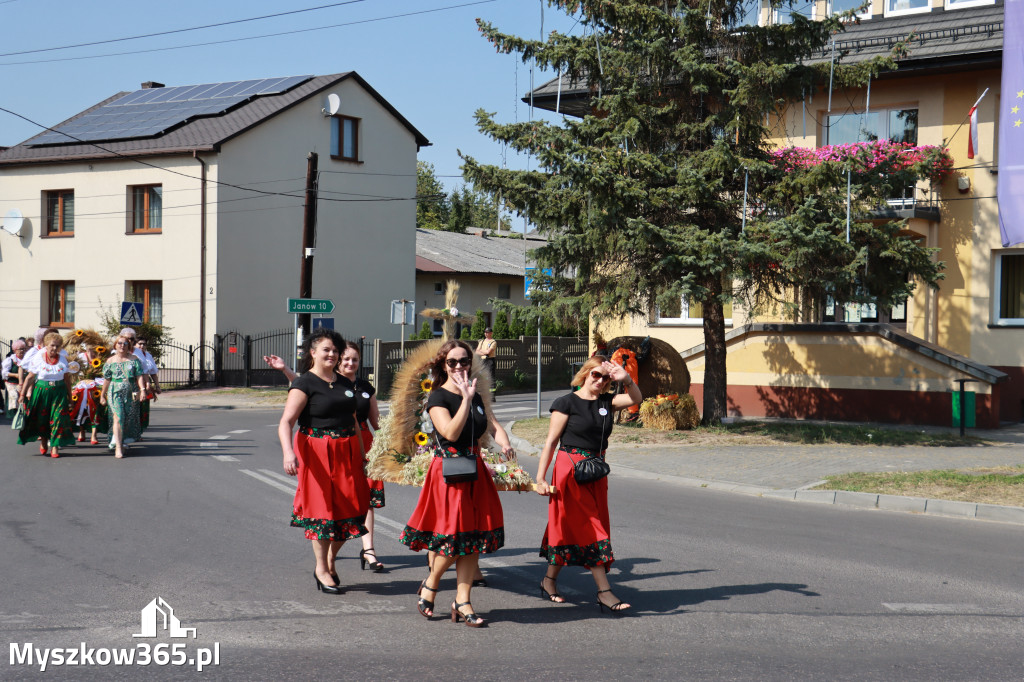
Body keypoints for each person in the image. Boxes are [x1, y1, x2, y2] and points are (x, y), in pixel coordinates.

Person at [399, 340, 514, 628]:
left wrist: (505, 442)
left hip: (474, 469)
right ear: (443, 365)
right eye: (453, 362)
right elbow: (450, 432)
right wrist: (464, 398)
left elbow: (487, 423)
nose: (460, 366)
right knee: (453, 539)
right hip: (450, 472)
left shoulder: (474, 395)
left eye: (464, 361)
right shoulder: (438, 397)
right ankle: (432, 583)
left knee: (472, 538)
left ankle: (463, 600)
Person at [264, 343, 387, 573]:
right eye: (346, 359)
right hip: (322, 448)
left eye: (355, 360)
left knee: (360, 502)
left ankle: (365, 549)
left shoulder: (362, 387)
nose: (350, 363)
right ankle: (324, 566)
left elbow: (374, 422)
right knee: (325, 507)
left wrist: (381, 449)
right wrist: (285, 370)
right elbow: (304, 388)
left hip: (355, 442)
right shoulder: (323, 381)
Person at [534, 355, 643, 615]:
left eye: (605, 377)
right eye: (595, 374)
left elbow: (636, 399)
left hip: (595, 471)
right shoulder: (566, 402)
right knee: (590, 526)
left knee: (569, 525)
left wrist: (625, 379)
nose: (600, 380)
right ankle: (604, 592)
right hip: (570, 471)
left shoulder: (607, 402)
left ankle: (548, 580)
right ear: (584, 374)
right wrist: (540, 478)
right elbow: (551, 442)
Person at [278, 329, 370, 595]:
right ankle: (321, 567)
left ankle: (330, 558)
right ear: (313, 352)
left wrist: (363, 455)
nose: (332, 354)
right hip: (316, 451)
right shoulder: (304, 383)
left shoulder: (344, 383)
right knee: (322, 512)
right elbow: (286, 422)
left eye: (335, 350)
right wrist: (288, 452)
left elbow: (353, 420)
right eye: (326, 349)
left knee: (353, 508)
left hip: (348, 449)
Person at [17, 332, 75, 457]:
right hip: (42, 392)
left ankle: (54, 447)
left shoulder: (63, 359)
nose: (55, 348)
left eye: (57, 346)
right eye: (52, 345)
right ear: (46, 345)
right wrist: (22, 394)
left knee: (57, 419)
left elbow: (67, 380)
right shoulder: (38, 358)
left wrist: (70, 397)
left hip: (59, 393)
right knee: (42, 419)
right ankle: (43, 441)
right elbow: (30, 378)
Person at [99, 335, 146, 458]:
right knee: (118, 417)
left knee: (128, 418)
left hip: (131, 392)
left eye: (125, 344)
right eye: (119, 343)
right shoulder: (110, 361)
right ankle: (118, 448)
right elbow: (107, 379)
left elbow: (139, 376)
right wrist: (102, 395)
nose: (122, 345)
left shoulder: (134, 359)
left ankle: (122, 441)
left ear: (129, 346)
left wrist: (143, 390)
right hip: (115, 392)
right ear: (115, 345)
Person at [133, 337, 161, 433]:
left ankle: (140, 430)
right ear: (135, 344)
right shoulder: (133, 354)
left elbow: (153, 372)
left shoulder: (148, 355)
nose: (142, 346)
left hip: (146, 383)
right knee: (134, 408)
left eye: (144, 344)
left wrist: (157, 386)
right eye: (140, 343)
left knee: (143, 408)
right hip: (135, 382)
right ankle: (133, 430)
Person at [2, 339, 27, 414]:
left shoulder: (27, 359)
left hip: (24, 383)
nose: (22, 351)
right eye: (20, 349)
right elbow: (4, 373)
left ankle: (23, 413)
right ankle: (14, 414)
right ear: (15, 350)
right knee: (14, 396)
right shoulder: (10, 360)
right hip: (12, 383)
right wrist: (16, 375)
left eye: (23, 349)